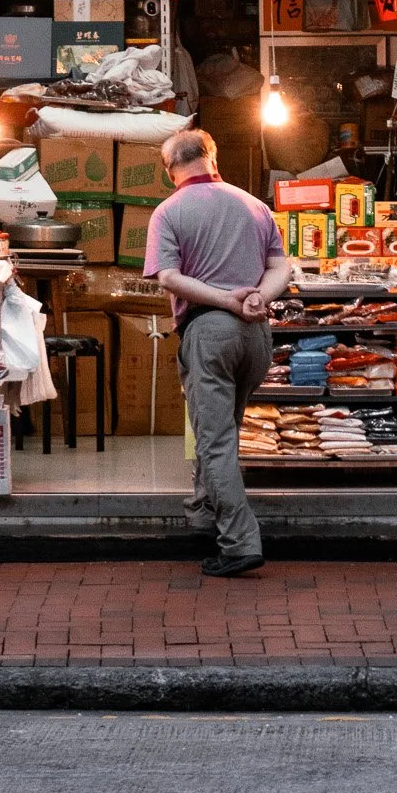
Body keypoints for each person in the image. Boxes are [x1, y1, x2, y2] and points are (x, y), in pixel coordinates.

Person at [145, 127, 292, 576]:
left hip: (209, 331)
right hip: (256, 334)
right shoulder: (254, 204)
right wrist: (257, 299)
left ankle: (239, 543)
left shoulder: (168, 211)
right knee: (225, 428)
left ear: (170, 170)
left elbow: (168, 277)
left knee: (215, 439)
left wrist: (225, 300)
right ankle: (203, 509)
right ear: (212, 156)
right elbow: (281, 265)